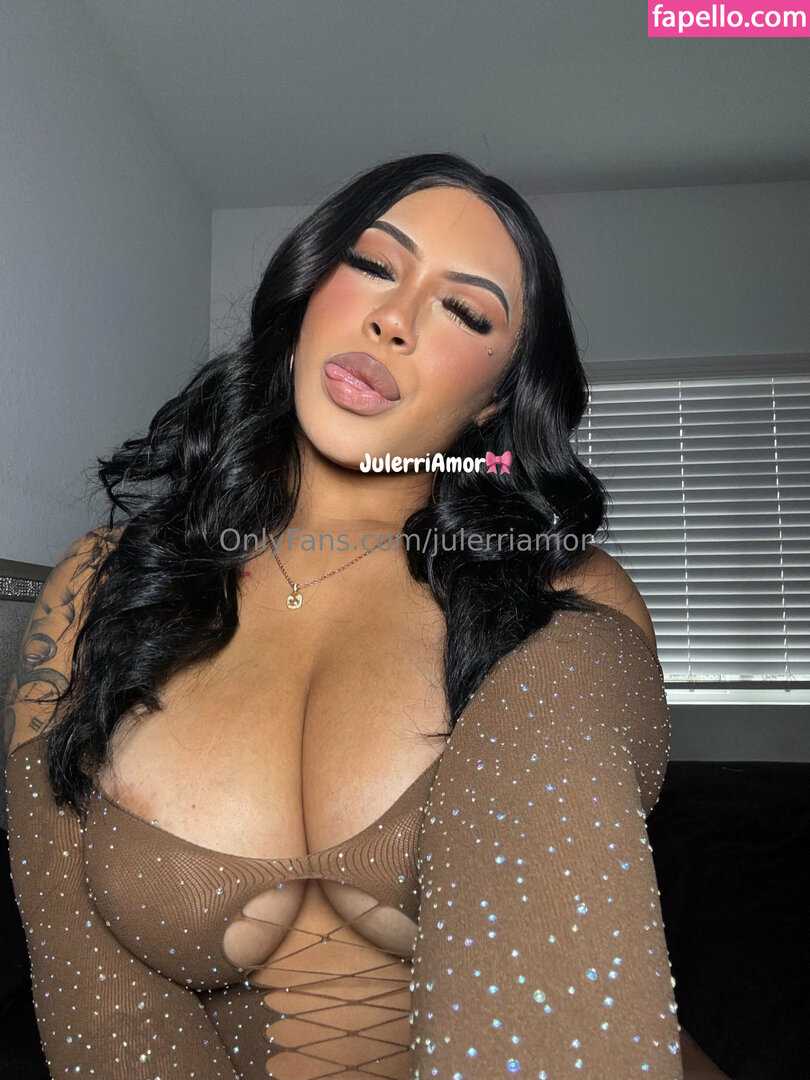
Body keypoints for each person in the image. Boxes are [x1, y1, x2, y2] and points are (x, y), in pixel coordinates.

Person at [4, 152, 686, 1079]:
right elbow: (93, 999)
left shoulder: (570, 603)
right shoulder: (98, 587)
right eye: (372, 263)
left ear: (495, 397)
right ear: (309, 286)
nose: (394, 319)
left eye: (466, 311)